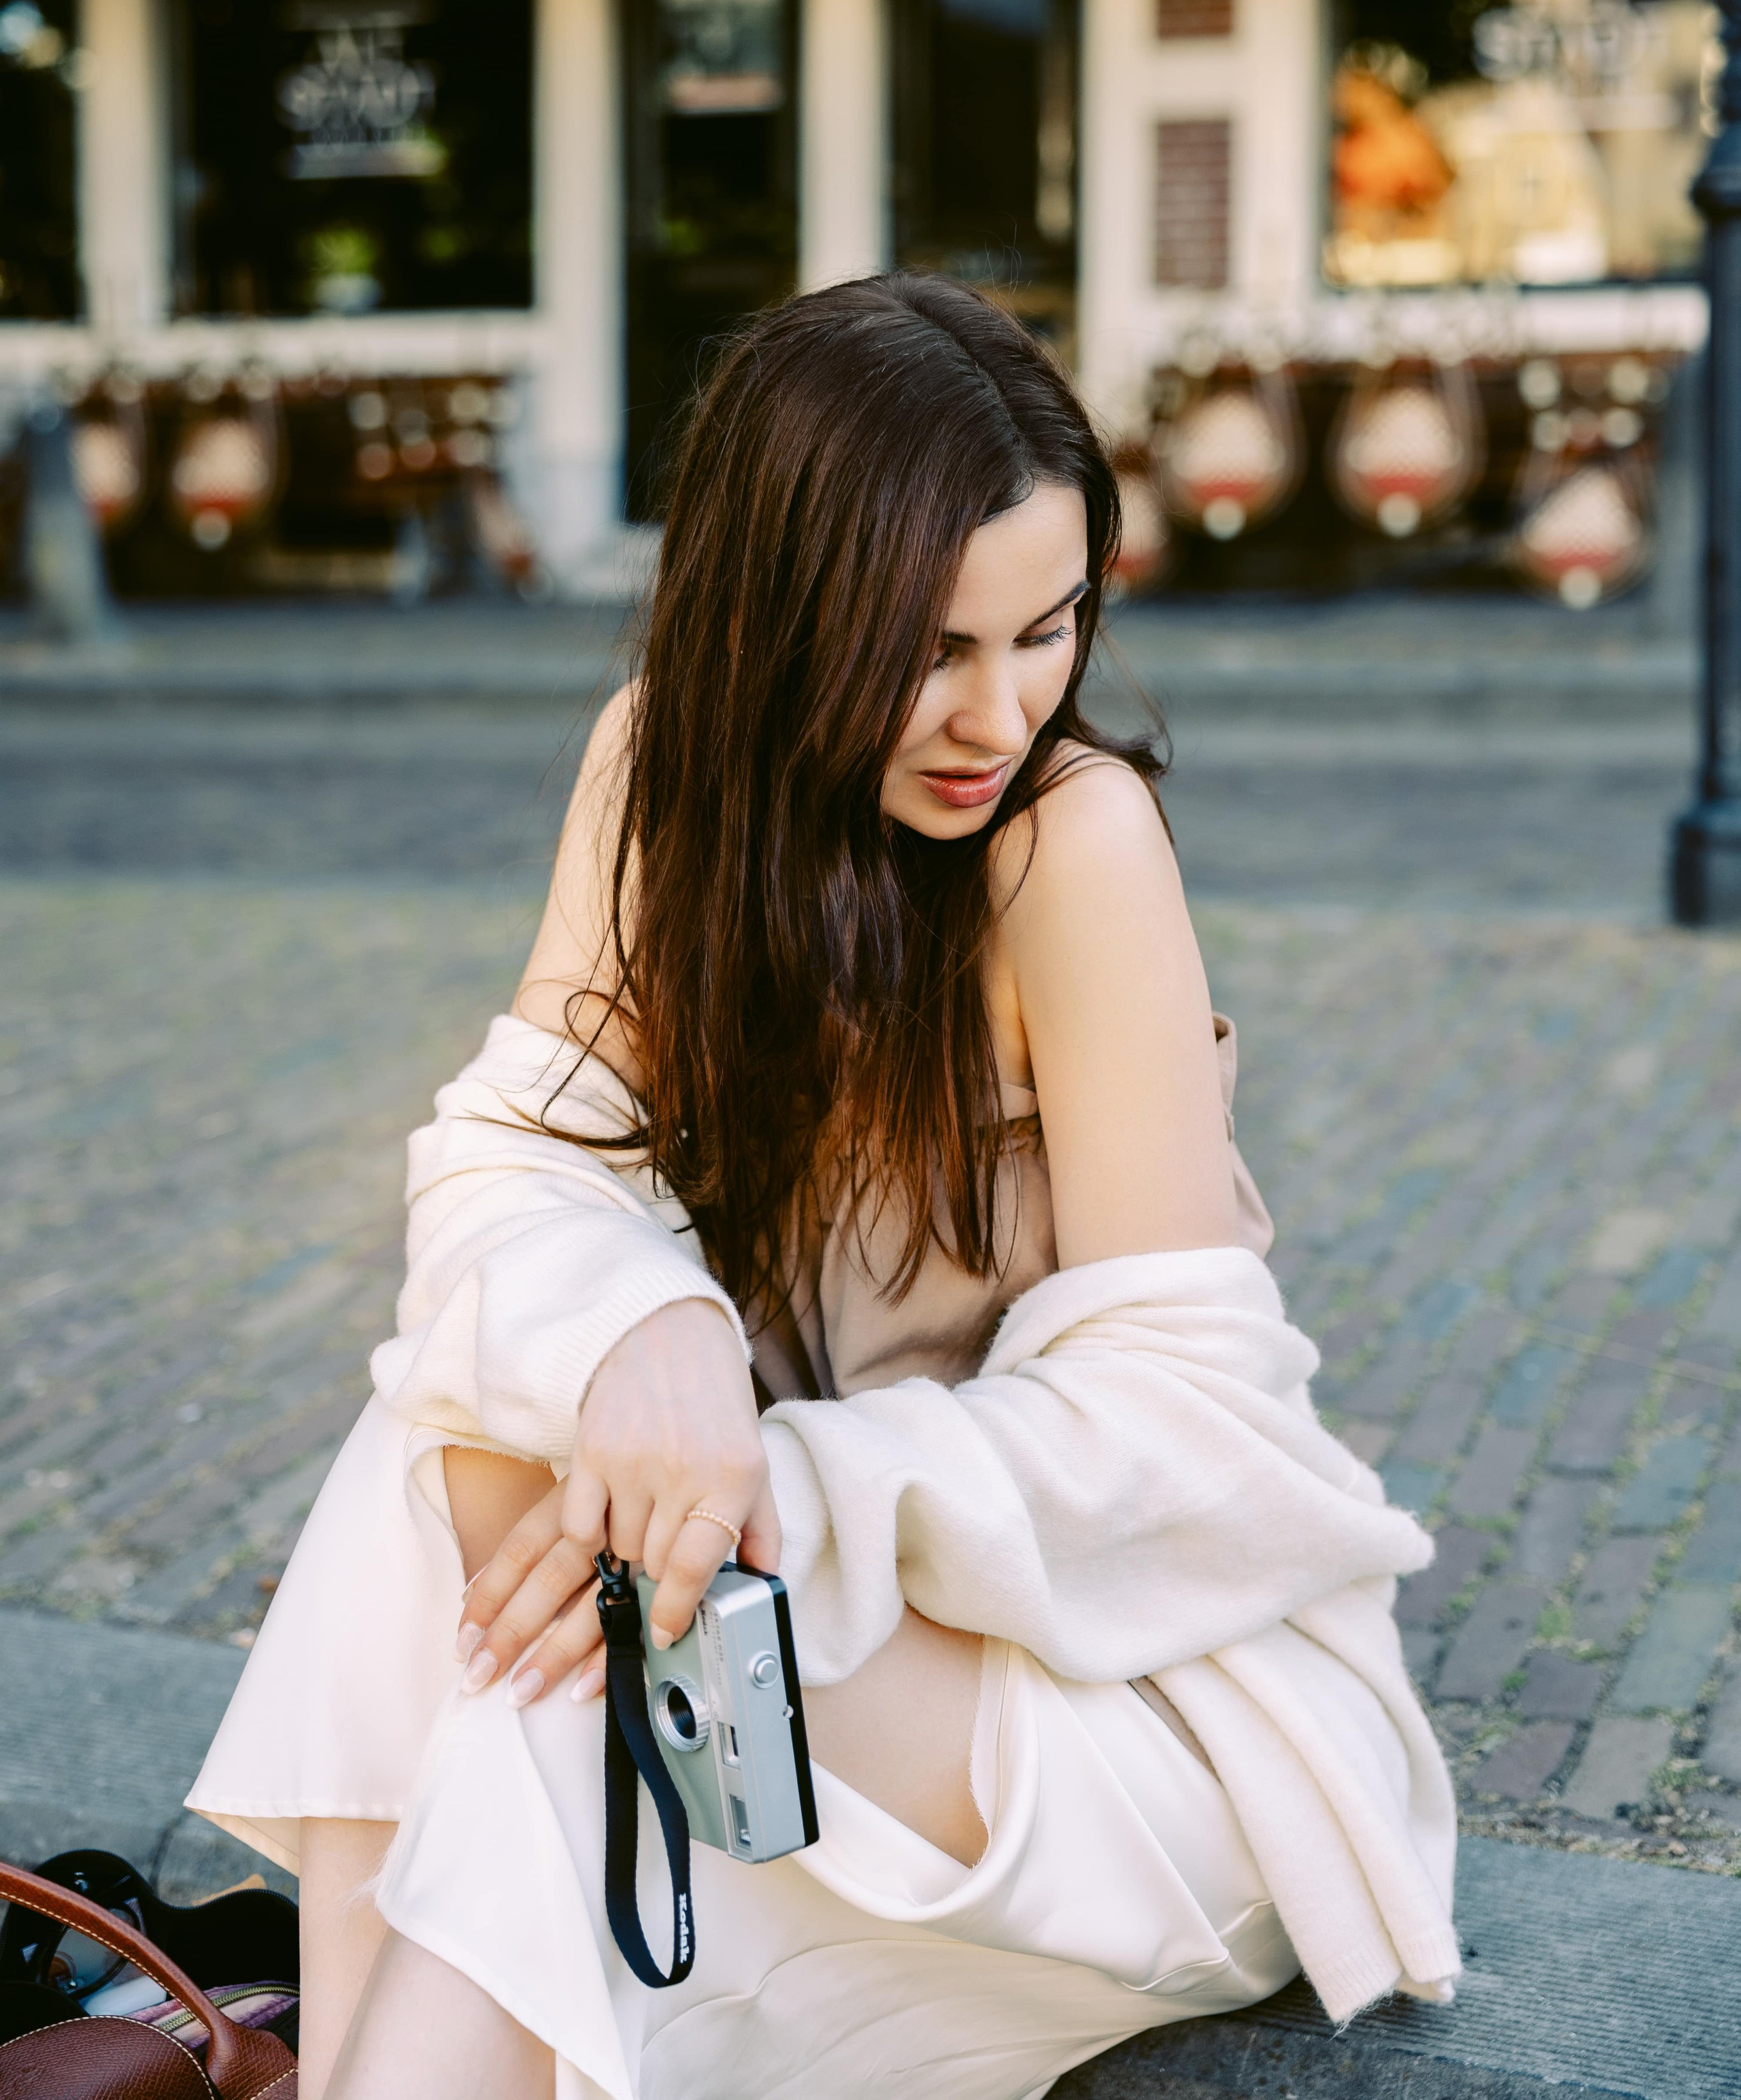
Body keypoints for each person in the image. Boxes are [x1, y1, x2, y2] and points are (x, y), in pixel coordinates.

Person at [190, 275, 1458, 2100]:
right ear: (783, 618)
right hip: (787, 1667)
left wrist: (777, 1481)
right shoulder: (663, 763)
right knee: (447, 1452)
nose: (1001, 711)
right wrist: (652, 1325)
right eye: (933, 647)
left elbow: (1190, 1430)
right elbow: (518, 1142)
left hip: (1121, 1692)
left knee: (604, 1642)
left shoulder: (1067, 845)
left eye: (1052, 629)